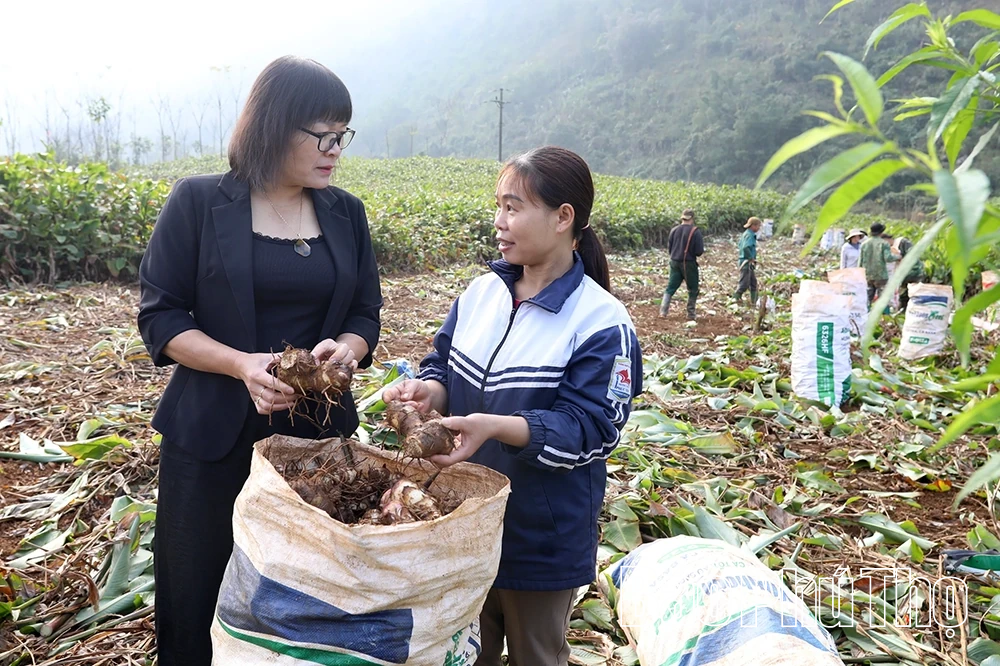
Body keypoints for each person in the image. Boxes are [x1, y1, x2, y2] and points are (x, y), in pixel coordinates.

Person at [137, 56, 382, 666]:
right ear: (275, 126)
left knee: (303, 598)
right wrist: (241, 365)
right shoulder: (199, 202)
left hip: (317, 441)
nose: (335, 150)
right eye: (323, 136)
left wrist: (347, 350)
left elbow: (364, 313)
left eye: (342, 136)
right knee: (196, 592)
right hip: (211, 437)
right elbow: (161, 317)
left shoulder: (345, 212)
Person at [382, 146, 642, 666]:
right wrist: (428, 392)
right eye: (498, 206)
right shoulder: (482, 294)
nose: (499, 222)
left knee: (536, 657)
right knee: (459, 655)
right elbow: (441, 362)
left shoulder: (600, 321)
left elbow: (593, 428)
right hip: (459, 523)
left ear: (563, 217)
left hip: (537, 536)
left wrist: (496, 427)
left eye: (513, 207)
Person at [659, 208, 704, 320]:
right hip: (688, 264)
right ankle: (691, 314)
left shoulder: (674, 230)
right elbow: (699, 252)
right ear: (692, 219)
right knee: (693, 289)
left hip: (674, 262)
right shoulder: (695, 231)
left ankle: (663, 312)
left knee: (670, 287)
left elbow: (670, 248)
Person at [858, 222, 897, 303]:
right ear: (881, 232)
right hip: (881, 275)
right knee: (882, 299)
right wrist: (898, 257)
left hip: (868, 274)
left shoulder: (864, 244)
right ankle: (883, 315)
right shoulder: (884, 243)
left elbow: (860, 261)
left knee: (868, 298)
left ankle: (867, 313)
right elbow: (888, 258)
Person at [734, 216, 761, 306]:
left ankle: (755, 302)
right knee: (744, 284)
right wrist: (750, 258)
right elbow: (746, 247)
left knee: (753, 283)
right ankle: (735, 298)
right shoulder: (750, 235)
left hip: (747, 262)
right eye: (758, 226)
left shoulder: (746, 234)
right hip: (746, 262)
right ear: (753, 226)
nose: (758, 228)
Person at [893, 235, 924, 312]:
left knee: (913, 292)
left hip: (913, 272)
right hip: (905, 273)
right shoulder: (894, 246)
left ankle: (911, 310)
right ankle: (904, 309)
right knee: (904, 294)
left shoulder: (903, 242)